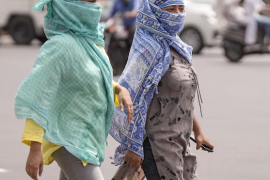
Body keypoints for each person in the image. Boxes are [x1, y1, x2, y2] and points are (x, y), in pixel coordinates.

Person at [14, 0, 134, 180]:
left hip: (85, 137)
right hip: (68, 138)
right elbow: (37, 95)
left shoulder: (92, 42)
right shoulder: (60, 46)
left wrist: (118, 89)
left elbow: (92, 78)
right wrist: (34, 147)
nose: (93, 7)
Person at [109, 0, 214, 179]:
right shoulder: (149, 51)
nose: (178, 15)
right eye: (170, 9)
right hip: (157, 148)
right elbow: (135, 99)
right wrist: (134, 147)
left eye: (181, 9)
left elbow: (179, 98)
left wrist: (198, 131)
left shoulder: (178, 45)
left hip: (180, 143)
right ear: (154, 12)